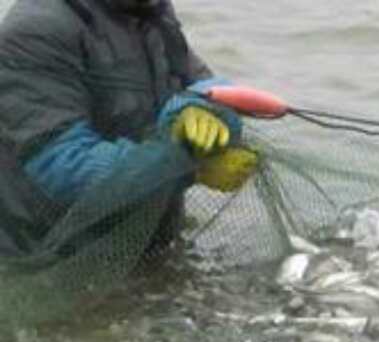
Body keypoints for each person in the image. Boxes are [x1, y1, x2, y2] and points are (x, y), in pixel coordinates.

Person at [0, 0, 258, 259]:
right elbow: (64, 168)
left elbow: (207, 86)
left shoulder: (151, 11)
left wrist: (205, 110)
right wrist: (191, 166)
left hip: (148, 247)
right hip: (48, 256)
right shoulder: (37, 29)